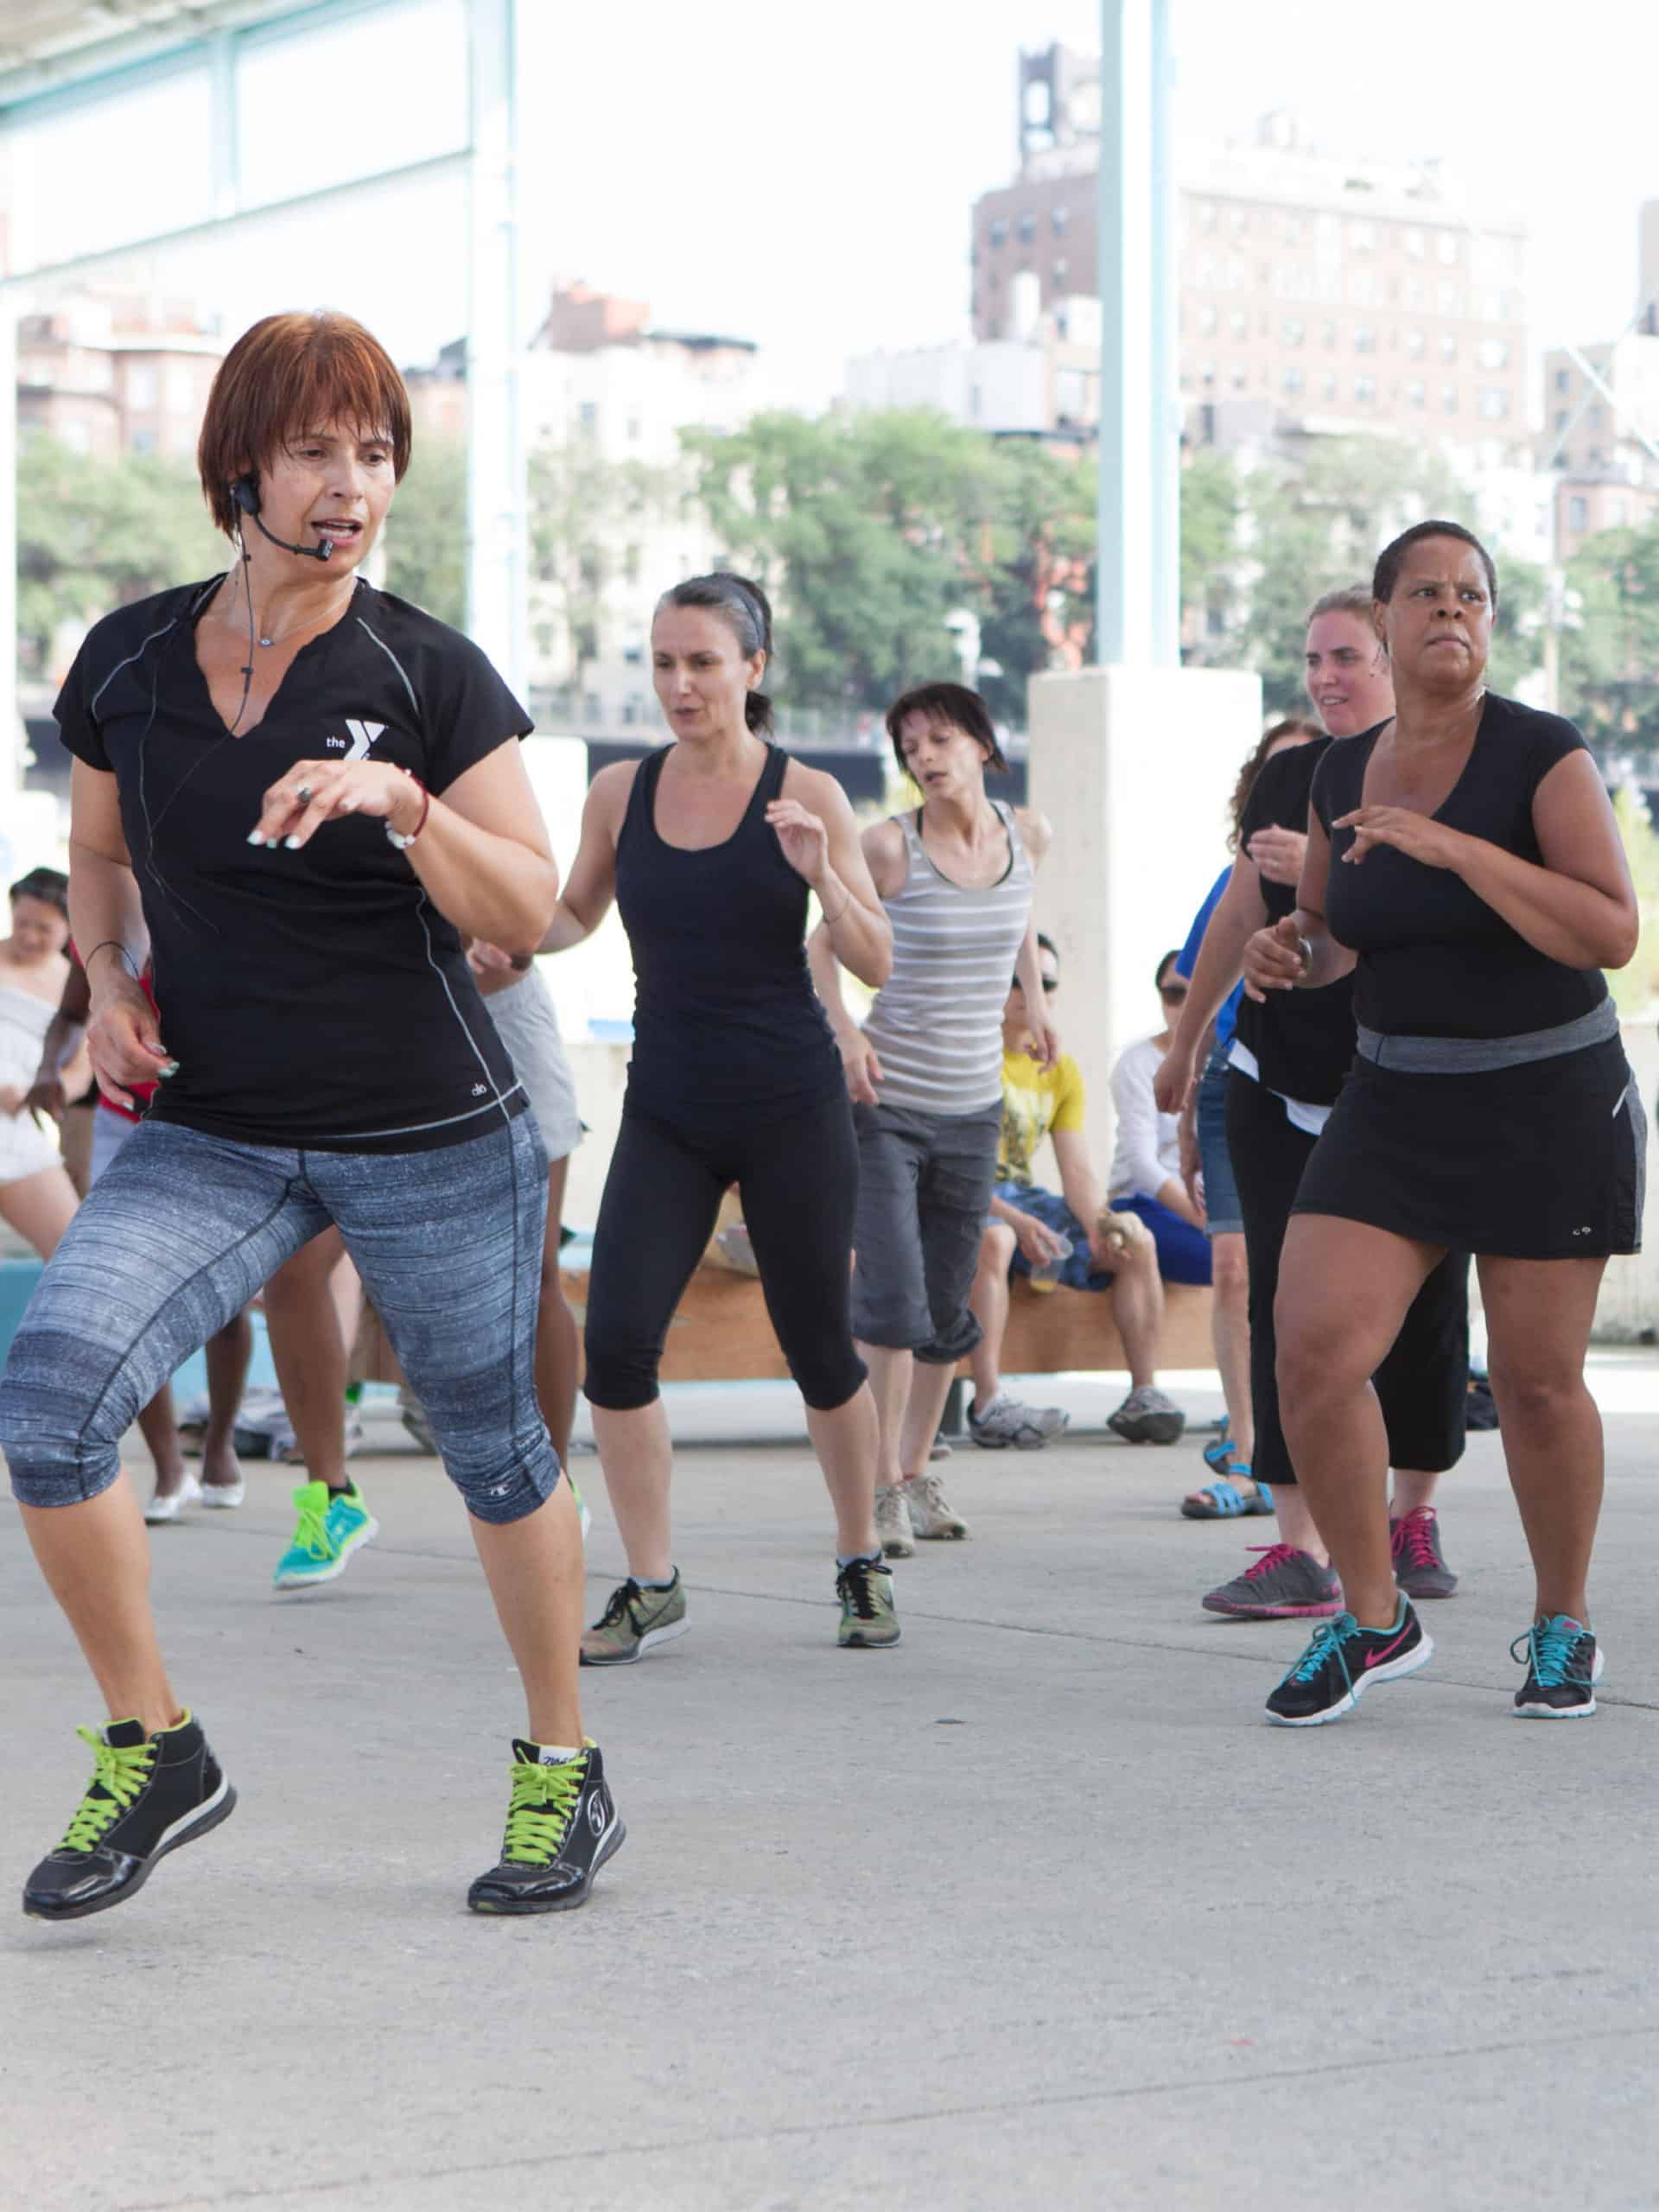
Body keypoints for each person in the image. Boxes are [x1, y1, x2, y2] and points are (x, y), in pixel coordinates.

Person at [0, 308, 620, 1922]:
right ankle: (157, 1748)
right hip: (211, 1126)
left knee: (492, 1454)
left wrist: (406, 805)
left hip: (426, 1127)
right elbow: (108, 865)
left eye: (376, 455)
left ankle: (564, 1770)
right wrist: (114, 982)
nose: (351, 486)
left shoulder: (427, 675)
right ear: (242, 465)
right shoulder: (128, 659)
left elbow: (539, 906)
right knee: (50, 1406)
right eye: (316, 451)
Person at [1247, 522, 1642, 1726]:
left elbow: (1609, 931)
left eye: (1472, 594)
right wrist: (1289, 949)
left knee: (1534, 1384)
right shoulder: (1336, 770)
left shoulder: (1540, 754)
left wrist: (1459, 850)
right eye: (1427, 593)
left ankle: (1563, 1623)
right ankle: (1374, 1621)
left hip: (1546, 1096)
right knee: (1312, 1351)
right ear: (1383, 615)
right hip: (1397, 1095)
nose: (1452, 613)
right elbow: (1332, 931)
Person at [540, 571, 900, 1658]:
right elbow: (571, 911)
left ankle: (860, 1559)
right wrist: (505, 938)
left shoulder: (810, 794)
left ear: (755, 668)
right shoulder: (619, 790)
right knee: (616, 1346)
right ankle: (651, 1581)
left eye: (702, 661)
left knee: (819, 1349)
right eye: (663, 662)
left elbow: (877, 956)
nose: (680, 684)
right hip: (670, 1107)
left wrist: (821, 878)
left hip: (790, 1102)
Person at [1156, 583, 1470, 1622]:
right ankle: (1300, 1545)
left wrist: (1332, 887)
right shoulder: (1290, 775)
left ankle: (1409, 1512)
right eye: (1313, 661)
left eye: (1346, 658)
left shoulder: (1448, 776)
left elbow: (1450, 937)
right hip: (1273, 1082)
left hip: (1404, 1087)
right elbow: (1242, 912)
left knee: (1421, 1310)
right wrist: (1191, 1042)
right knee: (1285, 1311)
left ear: (1391, 660)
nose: (1328, 678)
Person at [810, 681, 1052, 1558]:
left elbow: (1021, 915)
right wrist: (844, 1035)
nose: (925, 756)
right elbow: (820, 943)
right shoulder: (887, 847)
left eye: (942, 738)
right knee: (893, 1301)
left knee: (948, 1308)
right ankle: (873, 1490)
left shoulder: (1027, 835)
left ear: (983, 744)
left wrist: (1034, 1002)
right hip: (886, 1106)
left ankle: (911, 1473)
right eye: (911, 745)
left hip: (973, 1107)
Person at [1170, 719, 1324, 1494]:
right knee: (1235, 1266)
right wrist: (1185, 1072)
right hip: (1238, 1081)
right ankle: (1245, 1440)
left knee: (1310, 1281)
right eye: (1275, 772)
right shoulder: (1236, 883)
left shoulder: (1361, 866)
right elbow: (1190, 986)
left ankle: (1323, 1456)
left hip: (1332, 1088)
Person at [967, 933, 1185, 1449]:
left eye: (1044, 983)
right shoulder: (968, 1055)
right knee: (995, 1240)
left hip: (1024, 1198)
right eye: (1017, 981)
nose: (1029, 993)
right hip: (967, 1197)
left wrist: (1100, 1227)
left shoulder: (1057, 1067)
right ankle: (988, 1403)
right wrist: (1015, 1221)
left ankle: (1144, 1395)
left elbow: (1078, 1171)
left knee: (1135, 1240)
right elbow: (947, 1172)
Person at [0, 870, 91, 1269]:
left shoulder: (75, 984)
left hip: (16, 1124)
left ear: (69, 927)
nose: (29, 936)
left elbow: (79, 1072)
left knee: (73, 1252)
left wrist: (41, 1093)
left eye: (44, 928)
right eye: (21, 924)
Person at [1107, 953, 1213, 1286]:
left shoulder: (1226, 1062)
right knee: (1227, 1260)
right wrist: (1203, 1222)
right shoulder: (1137, 1063)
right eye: (1173, 994)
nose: (1183, 1005)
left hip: (1207, 1210)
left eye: (1195, 993)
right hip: (1142, 1204)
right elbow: (1142, 1165)